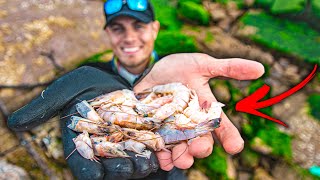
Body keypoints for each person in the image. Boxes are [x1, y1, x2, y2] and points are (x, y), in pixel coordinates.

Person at [7, 0, 265, 179]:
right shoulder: (88, 77)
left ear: (155, 29)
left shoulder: (178, 72)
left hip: (169, 171)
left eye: (138, 26)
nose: (129, 38)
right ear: (108, 34)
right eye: (118, 28)